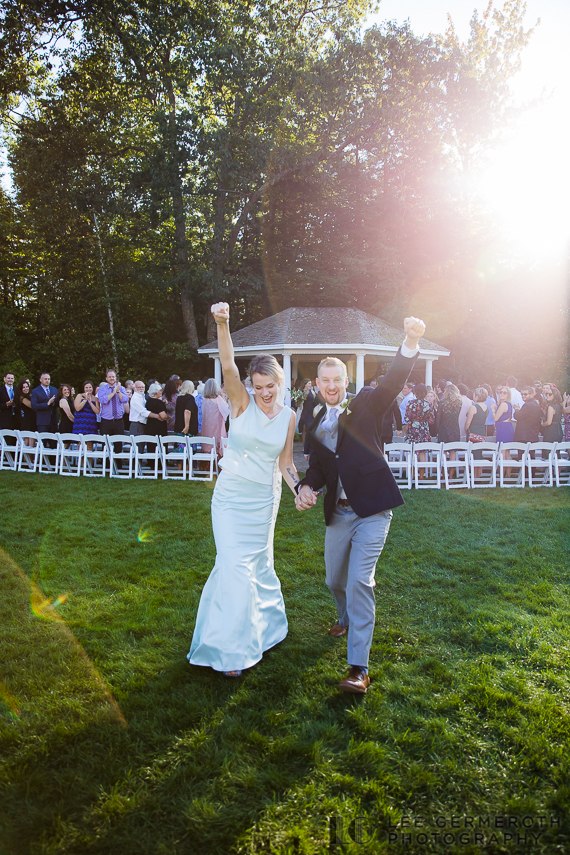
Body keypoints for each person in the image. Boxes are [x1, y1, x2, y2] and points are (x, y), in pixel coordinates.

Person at [295, 316, 425, 694]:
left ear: (345, 382)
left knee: (358, 582)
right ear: (317, 385)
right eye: (325, 381)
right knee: (333, 579)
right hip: (338, 512)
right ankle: (344, 617)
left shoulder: (367, 403)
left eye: (337, 380)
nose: (332, 386)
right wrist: (306, 486)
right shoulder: (314, 417)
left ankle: (358, 668)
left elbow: (394, 381)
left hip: (371, 509)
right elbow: (318, 466)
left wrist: (410, 340)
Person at [188, 302, 300, 677]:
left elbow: (284, 462)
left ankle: (266, 630)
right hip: (231, 498)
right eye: (258, 386)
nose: (264, 393)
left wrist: (299, 488)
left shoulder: (288, 416)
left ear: (280, 383)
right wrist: (223, 325)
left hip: (264, 504)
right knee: (233, 566)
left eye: (270, 386)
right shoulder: (240, 403)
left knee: (257, 566)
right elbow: (229, 366)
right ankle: (232, 652)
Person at [200, 379, 230, 458]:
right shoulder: (218, 399)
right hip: (217, 427)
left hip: (206, 429)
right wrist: (224, 399)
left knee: (207, 445)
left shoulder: (204, 399)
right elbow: (227, 410)